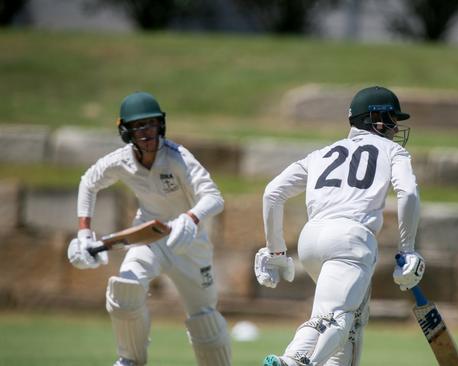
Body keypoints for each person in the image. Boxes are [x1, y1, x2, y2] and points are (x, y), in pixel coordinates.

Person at [254, 86, 426, 366]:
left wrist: (275, 253)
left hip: (310, 240)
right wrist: (407, 250)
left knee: (352, 324)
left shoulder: (321, 153)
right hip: (350, 240)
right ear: (377, 120)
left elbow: (273, 193)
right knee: (334, 317)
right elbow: (408, 193)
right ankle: (292, 362)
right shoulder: (392, 151)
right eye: (393, 120)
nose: (396, 129)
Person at [66, 92, 231, 366]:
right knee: (125, 289)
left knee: (205, 319)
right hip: (148, 239)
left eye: (152, 124)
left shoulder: (178, 157)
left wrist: (190, 218)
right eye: (139, 126)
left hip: (189, 244)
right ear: (126, 131)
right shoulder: (120, 161)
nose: (147, 132)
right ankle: (130, 360)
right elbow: (89, 182)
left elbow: (214, 198)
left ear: (161, 125)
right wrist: (84, 232)